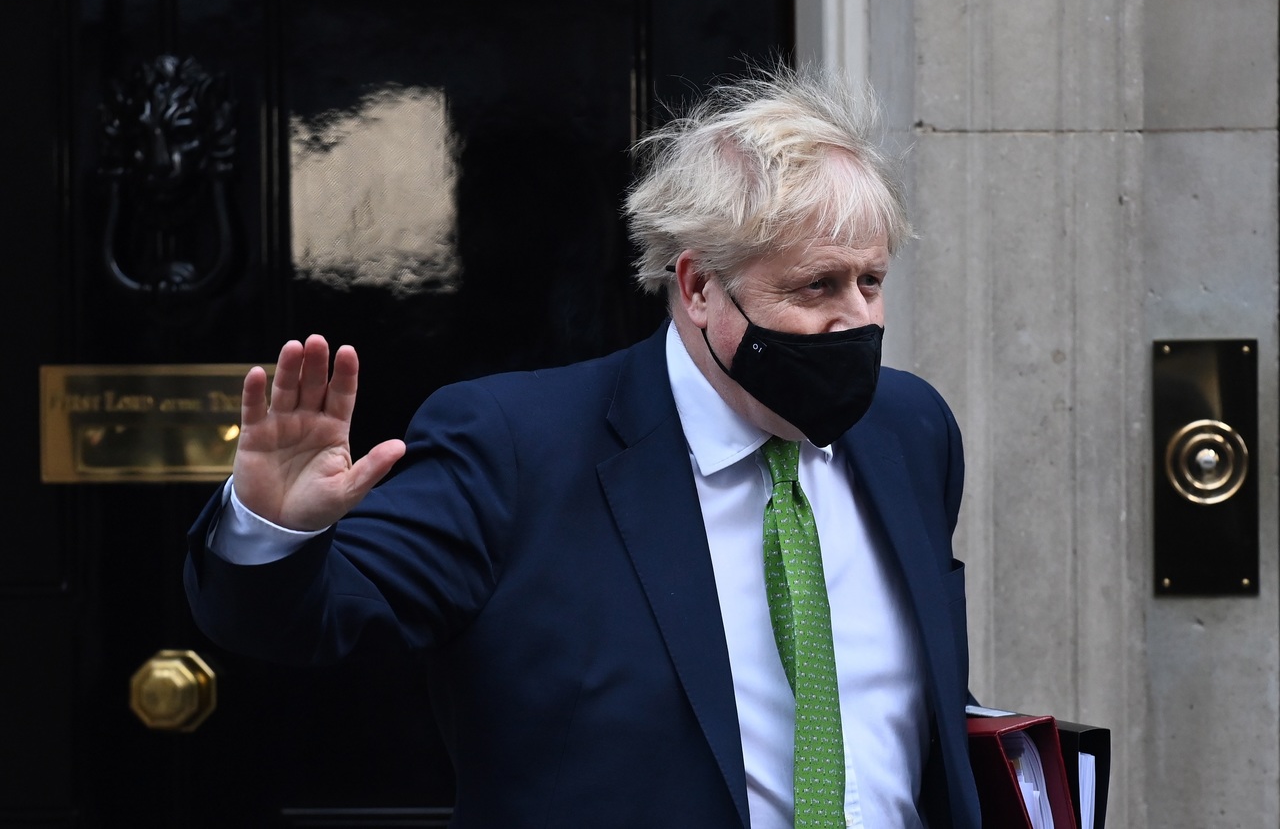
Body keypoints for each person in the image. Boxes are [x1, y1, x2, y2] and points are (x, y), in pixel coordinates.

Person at [185, 66, 982, 828]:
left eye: (870, 282)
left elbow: (902, 711)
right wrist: (273, 529)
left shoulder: (910, 430)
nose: (858, 321)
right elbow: (313, 621)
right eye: (816, 286)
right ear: (699, 287)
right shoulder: (514, 448)